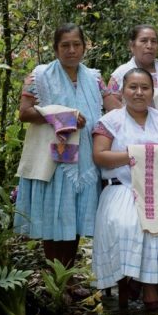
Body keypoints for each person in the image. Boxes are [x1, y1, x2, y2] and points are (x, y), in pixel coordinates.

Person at [92, 68, 158, 310]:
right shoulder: (109, 122)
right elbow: (99, 156)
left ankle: (146, 279)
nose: (139, 93)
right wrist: (134, 155)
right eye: (133, 87)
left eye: (145, 88)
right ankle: (142, 282)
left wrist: (151, 153)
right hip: (124, 188)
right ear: (122, 92)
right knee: (131, 224)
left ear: (152, 92)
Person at [14, 23, 116, 273]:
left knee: (75, 220)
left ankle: (67, 278)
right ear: (56, 49)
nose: (71, 50)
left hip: (87, 157)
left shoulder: (94, 78)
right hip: (55, 158)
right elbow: (24, 113)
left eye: (76, 44)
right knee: (54, 218)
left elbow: (115, 108)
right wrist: (64, 116)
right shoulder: (39, 76)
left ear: (84, 46)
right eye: (65, 45)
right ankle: (55, 281)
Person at [108, 25, 158, 191]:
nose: (149, 45)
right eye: (144, 40)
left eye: (154, 41)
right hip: (136, 144)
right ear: (132, 45)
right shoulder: (120, 74)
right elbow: (112, 108)